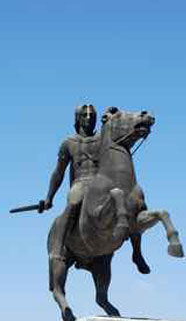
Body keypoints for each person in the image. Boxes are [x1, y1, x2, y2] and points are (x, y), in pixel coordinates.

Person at [44, 104, 151, 274]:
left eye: (92, 116)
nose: (89, 118)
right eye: (84, 115)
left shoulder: (103, 137)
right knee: (74, 200)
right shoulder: (68, 143)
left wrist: (136, 131)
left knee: (133, 202)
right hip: (81, 183)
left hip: (102, 181)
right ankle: (58, 247)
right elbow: (59, 173)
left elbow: (122, 140)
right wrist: (49, 198)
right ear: (77, 119)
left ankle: (137, 252)